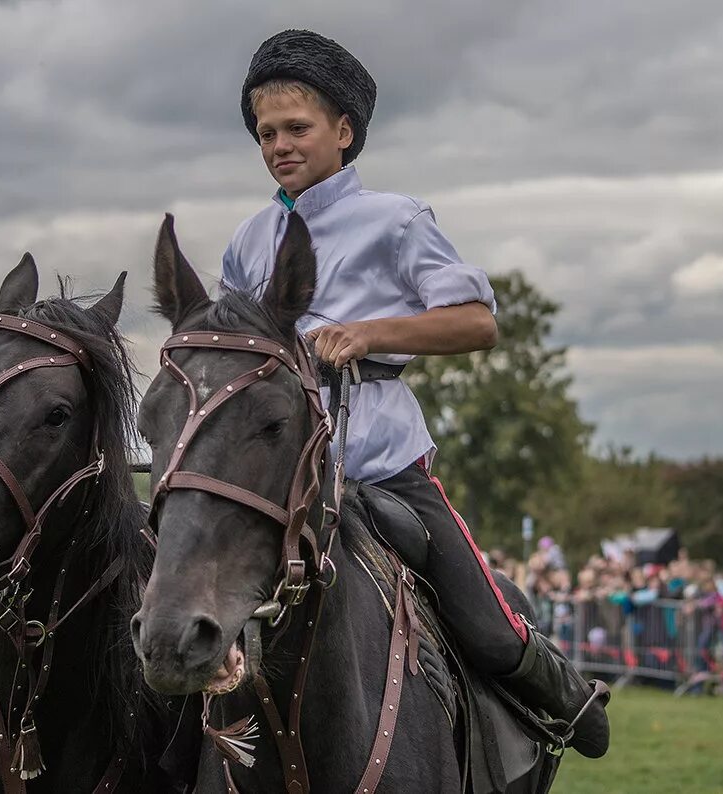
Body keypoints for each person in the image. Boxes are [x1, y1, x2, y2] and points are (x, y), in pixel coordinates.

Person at [223, 29, 609, 758]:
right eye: (266, 132)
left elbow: (477, 323)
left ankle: (566, 701)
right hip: (272, 479)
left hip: (381, 469)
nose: (278, 144)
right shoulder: (247, 240)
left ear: (345, 131)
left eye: (296, 128)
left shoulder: (396, 220)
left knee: (484, 620)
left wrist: (368, 333)